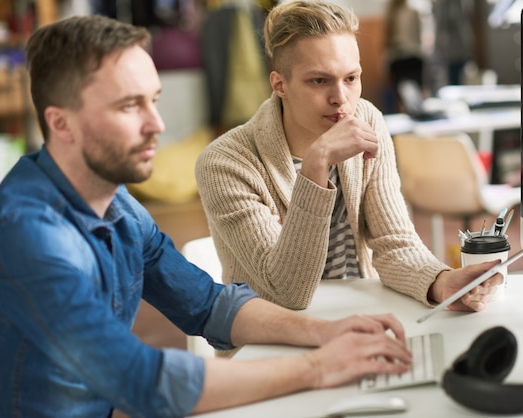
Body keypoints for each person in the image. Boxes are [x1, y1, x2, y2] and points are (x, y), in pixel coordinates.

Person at [0, 15, 414, 418]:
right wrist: (321, 367)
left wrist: (328, 332)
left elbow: (210, 305)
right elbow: (144, 381)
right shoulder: (27, 232)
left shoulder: (119, 206)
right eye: (129, 106)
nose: (156, 124)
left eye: (154, 101)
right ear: (61, 123)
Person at [195, 1, 503, 311]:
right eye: (319, 81)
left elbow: (394, 242)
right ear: (280, 85)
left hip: (355, 319)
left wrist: (441, 283)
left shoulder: (366, 119)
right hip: (270, 339)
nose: (341, 99)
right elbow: (286, 292)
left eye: (351, 78)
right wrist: (316, 165)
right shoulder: (224, 163)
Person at [383, 0, 431, 115]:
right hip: (400, 58)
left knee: (416, 95)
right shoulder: (392, 11)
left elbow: (421, 38)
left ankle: (418, 115)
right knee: (402, 97)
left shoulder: (414, 10)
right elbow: (387, 39)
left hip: (412, 57)